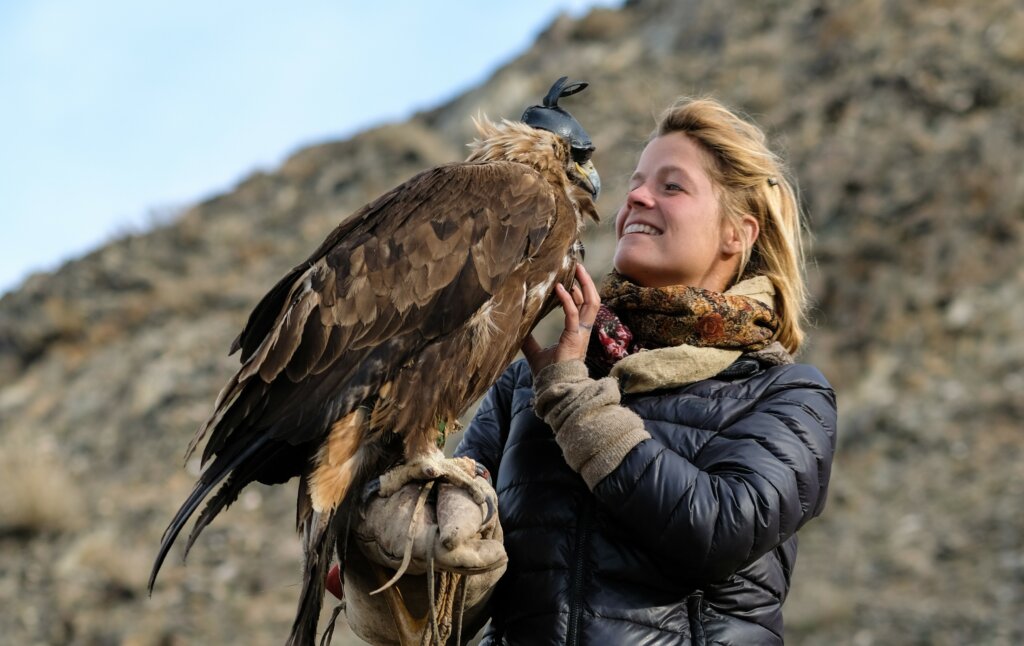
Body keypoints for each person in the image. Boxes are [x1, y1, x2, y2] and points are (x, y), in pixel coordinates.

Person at [349, 96, 836, 645]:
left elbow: (722, 528)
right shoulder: (528, 382)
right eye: (636, 182)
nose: (636, 197)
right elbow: (461, 561)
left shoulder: (786, 395)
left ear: (737, 234)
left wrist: (574, 402)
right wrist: (398, 543)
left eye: (671, 187)